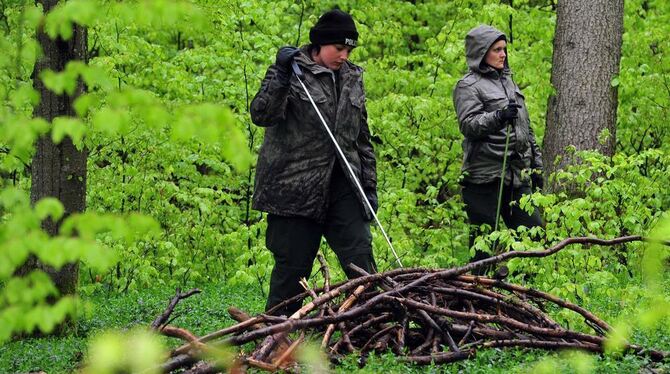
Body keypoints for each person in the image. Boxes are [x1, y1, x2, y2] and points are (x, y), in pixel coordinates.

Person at [250, 9, 377, 316]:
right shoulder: (290, 73)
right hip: (294, 188)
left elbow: (362, 138)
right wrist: (279, 75)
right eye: (339, 48)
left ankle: (375, 323)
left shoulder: (353, 78)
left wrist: (368, 187)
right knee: (292, 271)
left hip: (342, 184)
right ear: (319, 45)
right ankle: (276, 336)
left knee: (362, 261)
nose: (344, 56)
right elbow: (261, 114)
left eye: (349, 50)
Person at [452, 25, 544, 274]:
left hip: (517, 175)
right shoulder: (467, 86)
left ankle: (526, 295)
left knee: (533, 237)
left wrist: (537, 166)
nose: (503, 54)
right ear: (482, 53)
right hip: (485, 176)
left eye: (504, 49)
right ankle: (475, 299)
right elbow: (469, 125)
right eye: (496, 50)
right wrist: (499, 116)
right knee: (484, 244)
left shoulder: (510, 82)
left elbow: (526, 129)